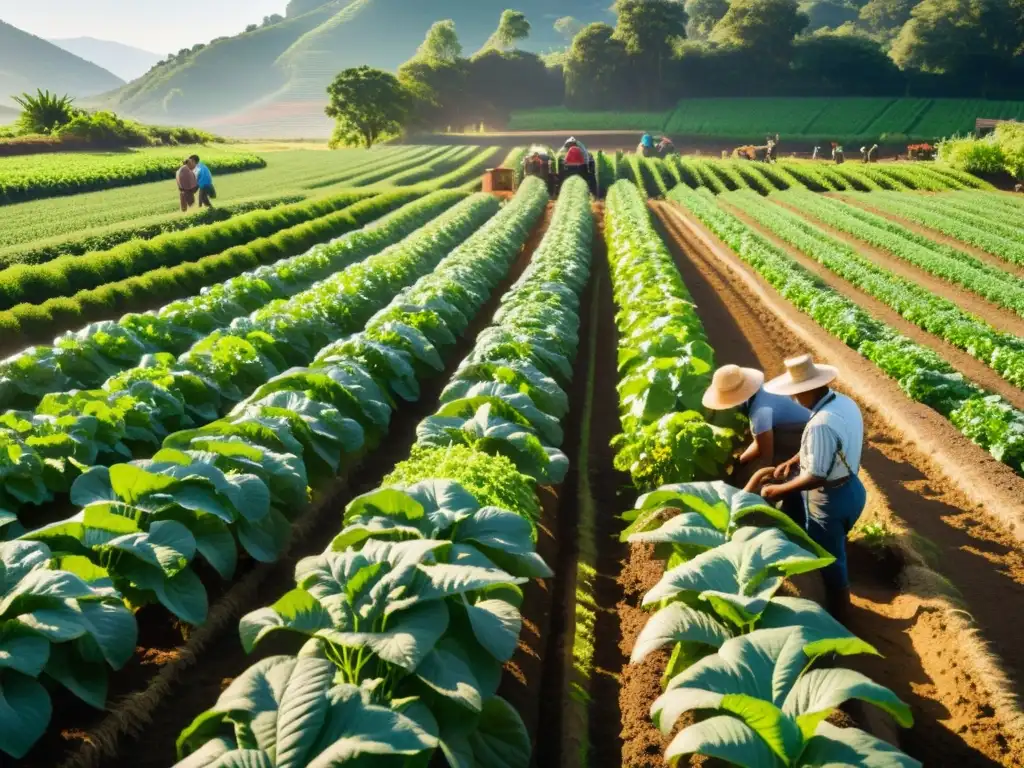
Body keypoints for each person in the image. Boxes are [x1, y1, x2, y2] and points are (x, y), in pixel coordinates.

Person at [749, 355, 866, 619]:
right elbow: (832, 448)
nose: (793, 400)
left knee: (828, 561)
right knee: (834, 547)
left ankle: (840, 618)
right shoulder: (844, 403)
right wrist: (794, 460)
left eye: (796, 394)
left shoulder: (820, 424)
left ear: (809, 389)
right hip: (853, 489)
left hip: (830, 500)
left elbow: (816, 476)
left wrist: (777, 491)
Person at [702, 364, 810, 526]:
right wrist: (740, 461)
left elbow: (766, 455)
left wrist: (751, 487)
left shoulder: (759, 412)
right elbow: (759, 440)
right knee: (748, 466)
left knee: (772, 470)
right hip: (796, 427)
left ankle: (781, 510)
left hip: (803, 436)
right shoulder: (763, 391)